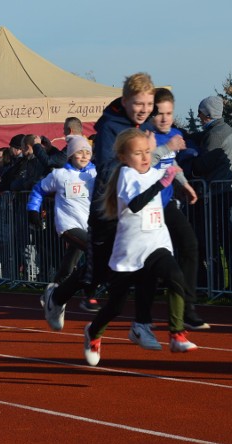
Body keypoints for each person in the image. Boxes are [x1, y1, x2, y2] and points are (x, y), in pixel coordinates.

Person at [44, 72, 157, 332]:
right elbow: (106, 168)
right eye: (139, 104)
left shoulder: (147, 124)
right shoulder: (110, 127)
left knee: (148, 259)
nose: (144, 110)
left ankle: (140, 323)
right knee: (102, 268)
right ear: (126, 100)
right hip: (109, 207)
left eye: (148, 105)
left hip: (138, 207)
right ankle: (60, 297)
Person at [82, 128, 197, 366]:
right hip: (130, 251)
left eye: (147, 152)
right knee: (116, 306)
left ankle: (176, 333)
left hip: (156, 244)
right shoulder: (126, 174)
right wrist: (162, 183)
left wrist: (180, 176)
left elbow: (169, 163)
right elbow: (135, 204)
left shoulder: (154, 170)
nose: (144, 157)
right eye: (138, 153)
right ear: (124, 157)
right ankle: (93, 333)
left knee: (176, 277)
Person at [148, 88, 208, 330]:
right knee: (149, 261)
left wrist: (185, 184)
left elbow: (170, 163)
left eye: (169, 113)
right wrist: (166, 148)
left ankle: (188, 308)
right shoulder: (144, 136)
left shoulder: (173, 134)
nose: (165, 118)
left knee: (190, 245)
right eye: (159, 113)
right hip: (144, 208)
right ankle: (141, 313)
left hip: (167, 204)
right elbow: (144, 163)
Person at [28, 135, 99, 311]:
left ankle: (52, 289)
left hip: (88, 225)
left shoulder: (94, 173)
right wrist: (33, 210)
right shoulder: (59, 175)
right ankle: (89, 295)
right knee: (95, 250)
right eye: (79, 153)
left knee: (68, 266)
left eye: (87, 153)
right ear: (70, 155)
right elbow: (38, 190)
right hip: (67, 225)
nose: (83, 156)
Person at [191, 95, 232, 294]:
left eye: (201, 112)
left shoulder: (216, 134)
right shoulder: (219, 130)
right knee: (221, 241)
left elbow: (203, 164)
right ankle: (224, 285)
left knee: (215, 240)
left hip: (218, 193)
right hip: (220, 191)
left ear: (207, 113)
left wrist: (190, 164)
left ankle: (218, 285)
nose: (199, 116)